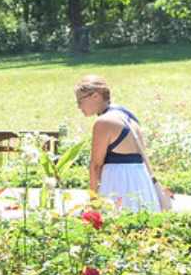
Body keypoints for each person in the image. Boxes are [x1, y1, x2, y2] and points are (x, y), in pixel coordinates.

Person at [74, 74, 173, 212]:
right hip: (141, 181)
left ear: (95, 96)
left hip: (119, 182)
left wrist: (93, 201)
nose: (78, 106)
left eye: (80, 101)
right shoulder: (128, 116)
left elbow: (96, 165)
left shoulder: (104, 122)